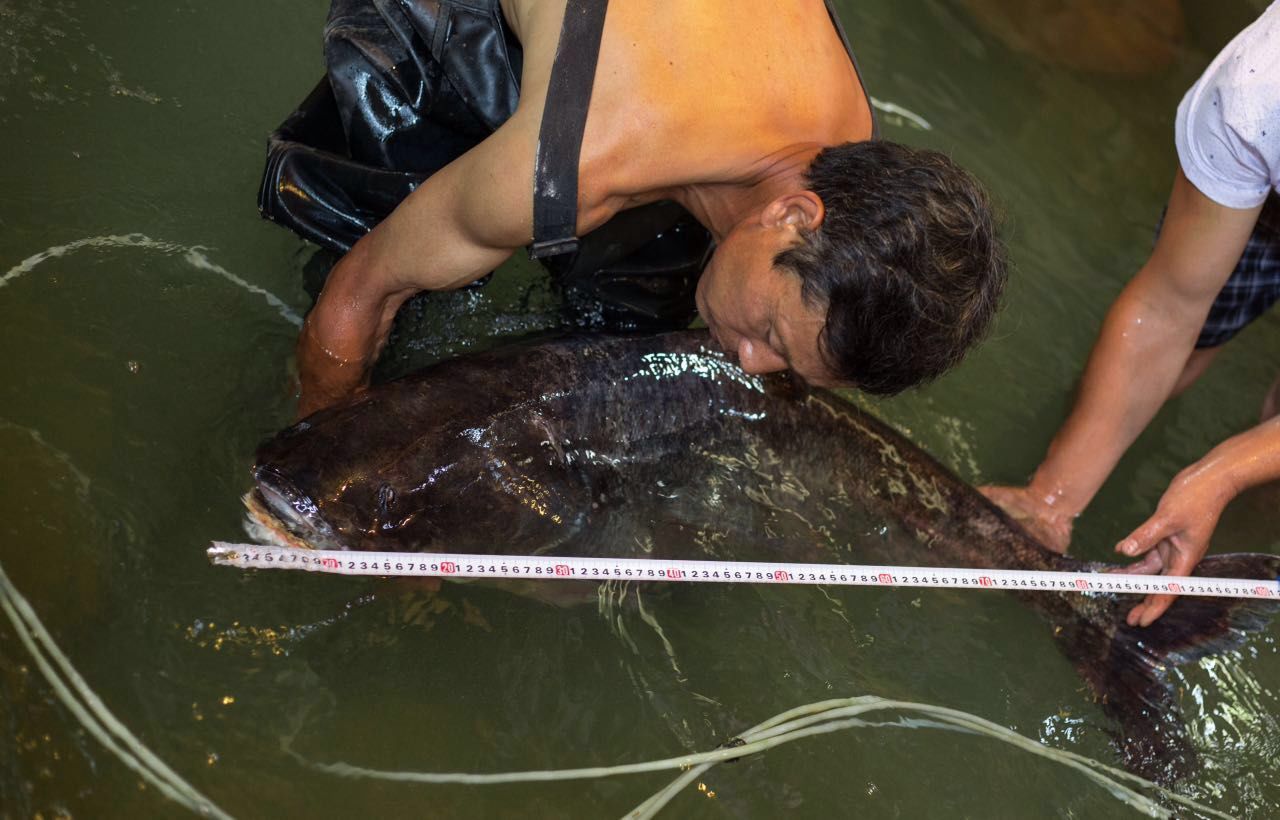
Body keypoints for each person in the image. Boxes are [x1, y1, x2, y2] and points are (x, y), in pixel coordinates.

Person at [259, 0, 1007, 418]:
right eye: (772, 334)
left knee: (627, 332)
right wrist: (325, 449)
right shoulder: (580, 162)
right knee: (381, 243)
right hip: (495, 32)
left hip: (653, 81)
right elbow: (360, 293)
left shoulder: (847, 146)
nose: (750, 364)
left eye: (787, 364)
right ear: (795, 217)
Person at [984, 3, 1280, 628]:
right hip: (1268, 175)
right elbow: (1170, 304)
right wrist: (1049, 501)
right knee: (1193, 337)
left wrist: (1225, 473)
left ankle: (1240, 573)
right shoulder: (1258, 88)